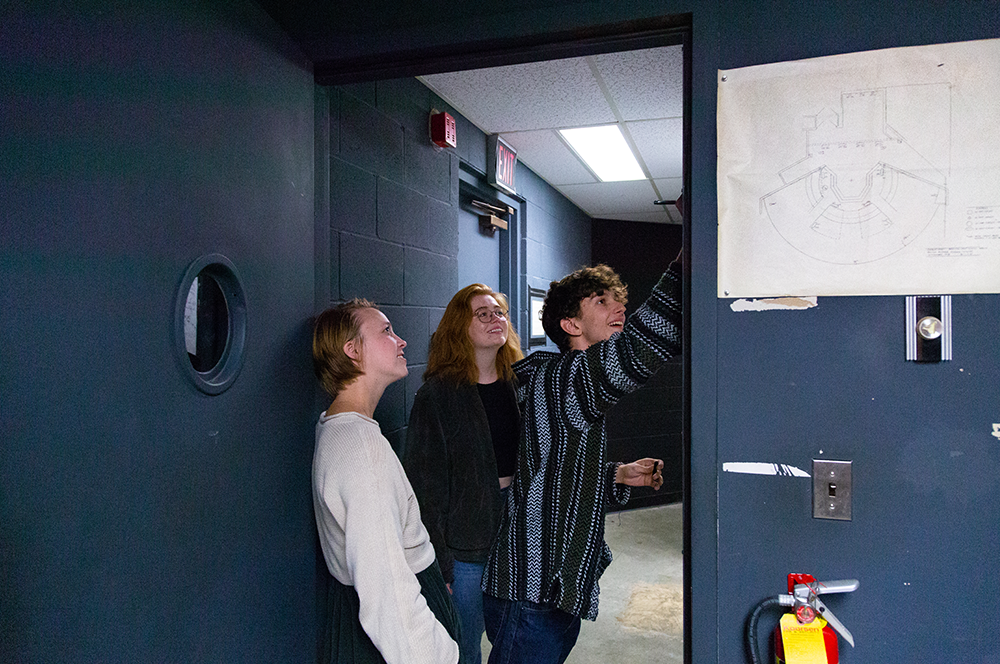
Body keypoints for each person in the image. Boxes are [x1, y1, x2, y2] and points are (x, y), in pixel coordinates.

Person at [481, 255, 682, 664]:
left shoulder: (558, 382)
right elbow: (642, 347)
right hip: (530, 592)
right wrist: (684, 261)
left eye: (618, 300)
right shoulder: (565, 379)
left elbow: (552, 476)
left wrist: (617, 477)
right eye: (602, 301)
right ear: (571, 325)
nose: (619, 308)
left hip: (549, 591)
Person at [311, 299, 461, 664]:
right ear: (353, 351)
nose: (401, 341)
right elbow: (386, 590)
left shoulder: (336, 426)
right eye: (386, 331)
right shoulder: (363, 449)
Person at [404, 284, 524, 664]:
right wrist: (441, 562)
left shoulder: (521, 385)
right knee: (464, 648)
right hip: (465, 545)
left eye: (499, 312)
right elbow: (425, 488)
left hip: (518, 535)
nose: (495, 319)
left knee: (515, 643)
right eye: (483, 313)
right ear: (460, 326)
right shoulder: (438, 395)